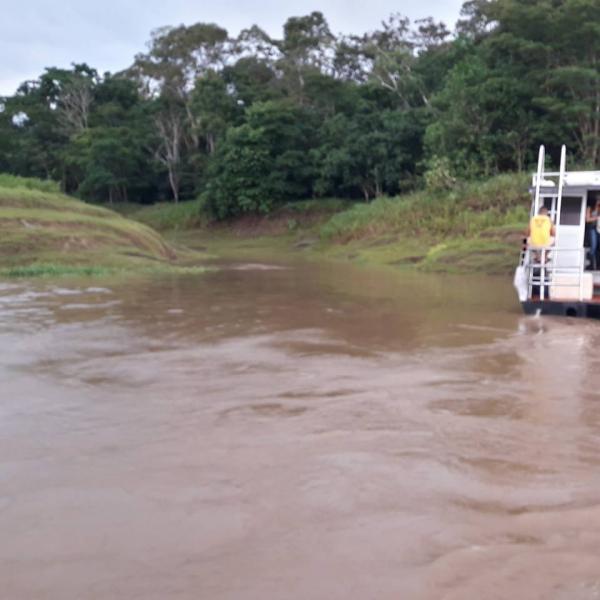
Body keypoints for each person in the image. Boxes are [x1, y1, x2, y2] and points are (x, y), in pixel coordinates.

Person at [586, 199, 600, 270]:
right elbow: (587, 219)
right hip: (592, 229)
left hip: (598, 229)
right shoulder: (589, 208)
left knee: (598, 248)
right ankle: (590, 264)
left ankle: (598, 265)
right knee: (593, 247)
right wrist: (596, 218)